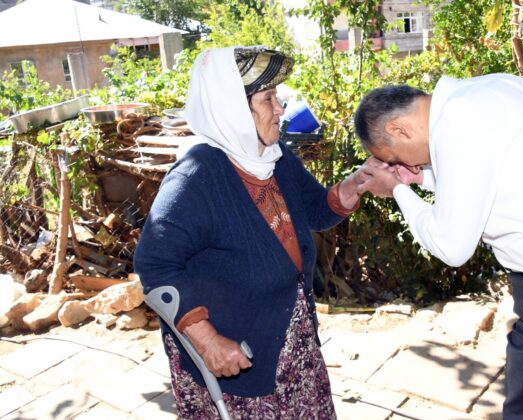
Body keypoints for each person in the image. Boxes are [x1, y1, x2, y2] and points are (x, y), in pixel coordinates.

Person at [355, 74, 523, 419]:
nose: (406, 166)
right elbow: (490, 179)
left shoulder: (456, 125)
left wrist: (398, 190)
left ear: (399, 129)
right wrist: (422, 178)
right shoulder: (489, 89)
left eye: (395, 159)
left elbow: (451, 246)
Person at [134, 46, 371, 419]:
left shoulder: (273, 156)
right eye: (268, 98)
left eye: (277, 97)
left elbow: (317, 210)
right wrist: (207, 340)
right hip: (236, 362)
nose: (280, 108)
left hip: (291, 344)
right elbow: (154, 263)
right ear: (232, 107)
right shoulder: (196, 178)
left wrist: (363, 180)